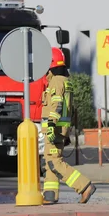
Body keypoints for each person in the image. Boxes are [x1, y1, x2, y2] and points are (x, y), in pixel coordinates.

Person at [41, 48, 96, 204]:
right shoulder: (65, 80)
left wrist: (51, 125)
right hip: (60, 128)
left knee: (54, 161)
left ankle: (84, 186)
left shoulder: (56, 81)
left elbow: (56, 104)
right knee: (50, 160)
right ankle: (50, 195)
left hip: (55, 128)